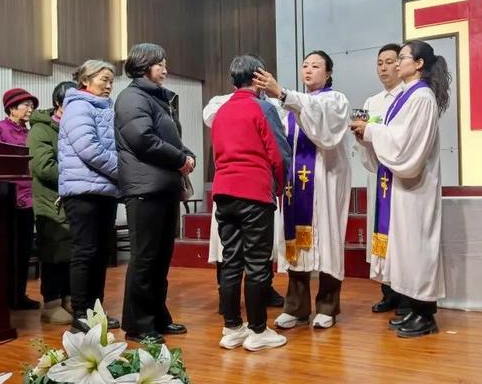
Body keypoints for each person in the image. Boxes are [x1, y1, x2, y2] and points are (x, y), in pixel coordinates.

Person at [350, 40, 451, 338]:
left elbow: (406, 144)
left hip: (416, 189)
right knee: (407, 249)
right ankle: (412, 308)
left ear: (418, 64)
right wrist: (367, 135)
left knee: (418, 249)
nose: (395, 64)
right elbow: (393, 135)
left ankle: (425, 314)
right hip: (402, 189)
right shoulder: (406, 97)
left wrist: (371, 131)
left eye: (402, 58)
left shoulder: (421, 97)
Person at [253, 50, 351, 330]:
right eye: (305, 65)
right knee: (294, 241)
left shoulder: (336, 100)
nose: (308, 70)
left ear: (329, 73)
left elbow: (324, 129)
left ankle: (328, 306)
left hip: (325, 181)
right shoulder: (291, 104)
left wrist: (284, 95)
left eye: (316, 66)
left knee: (328, 239)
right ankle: (296, 307)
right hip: (295, 185)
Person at [210, 55, 292, 351]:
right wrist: (279, 188)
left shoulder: (220, 112)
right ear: (258, 79)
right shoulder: (264, 107)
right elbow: (279, 153)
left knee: (231, 260)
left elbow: (217, 154)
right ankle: (258, 331)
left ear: (233, 80)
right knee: (258, 263)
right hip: (254, 191)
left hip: (224, 191)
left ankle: (232, 327)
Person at [115, 43, 195, 342]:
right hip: (144, 189)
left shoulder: (156, 99)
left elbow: (171, 138)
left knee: (161, 259)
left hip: (162, 188)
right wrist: (180, 159)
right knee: (145, 259)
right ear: (144, 65)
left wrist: (187, 154)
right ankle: (138, 324)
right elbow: (143, 140)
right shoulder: (131, 98)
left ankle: (158, 317)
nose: (165, 69)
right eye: (160, 63)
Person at [58, 60, 120, 332]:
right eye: (103, 79)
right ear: (86, 80)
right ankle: (81, 311)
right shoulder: (79, 106)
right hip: (83, 191)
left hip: (103, 189)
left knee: (100, 254)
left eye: (111, 81)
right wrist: (123, 170)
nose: (108, 85)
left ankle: (97, 313)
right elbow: (89, 149)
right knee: (85, 252)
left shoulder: (102, 107)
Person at [356, 44, 409, 315]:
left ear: (400, 65)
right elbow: (368, 146)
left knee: (399, 236)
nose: (384, 67)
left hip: (400, 178)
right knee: (381, 234)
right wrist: (362, 139)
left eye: (390, 62)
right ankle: (387, 292)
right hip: (379, 178)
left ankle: (405, 294)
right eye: (380, 63)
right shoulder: (371, 103)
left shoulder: (409, 98)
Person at [0, 88, 40, 310]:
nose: (30, 109)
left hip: (29, 200)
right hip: (5, 201)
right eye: (25, 104)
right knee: (3, 251)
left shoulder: (32, 133)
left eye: (31, 105)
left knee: (23, 250)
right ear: (12, 108)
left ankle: (18, 295)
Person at [28, 81, 76, 324]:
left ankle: (68, 299)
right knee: (54, 252)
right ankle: (51, 303)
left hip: (70, 197)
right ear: (58, 104)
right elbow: (44, 167)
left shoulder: (70, 127)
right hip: (50, 199)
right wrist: (77, 173)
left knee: (70, 253)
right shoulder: (41, 129)